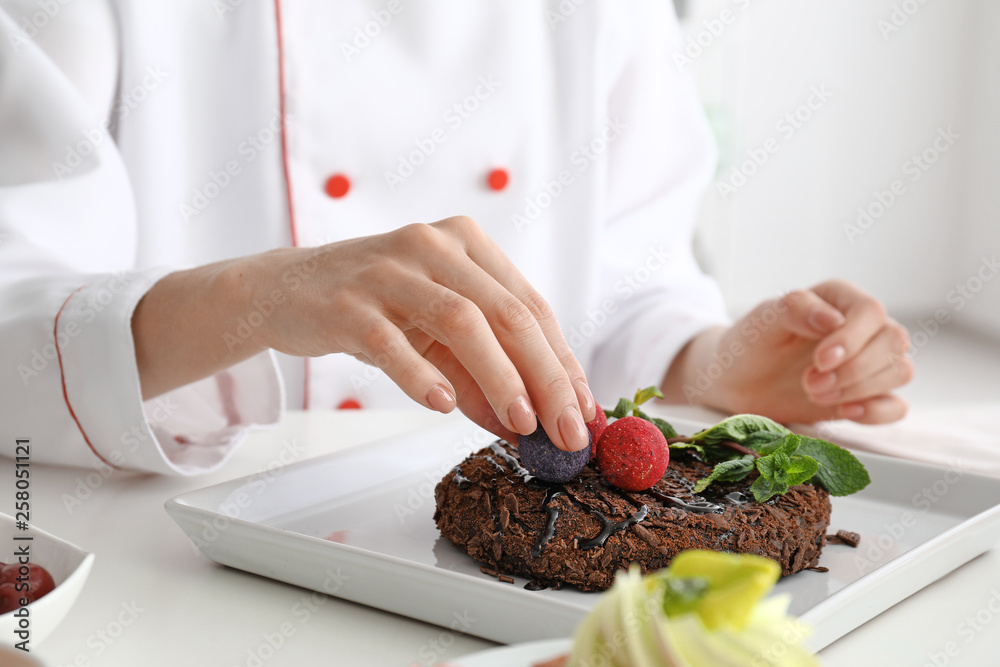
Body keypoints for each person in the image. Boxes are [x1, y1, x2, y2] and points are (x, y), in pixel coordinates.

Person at [0, 0, 912, 475]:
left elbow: (630, 290)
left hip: (511, 591)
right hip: (175, 542)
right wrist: (253, 300)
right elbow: (15, 326)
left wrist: (713, 364)